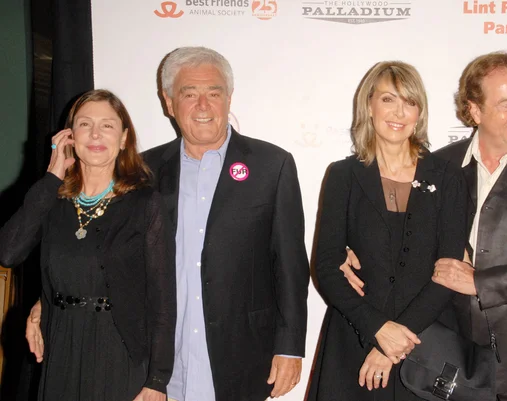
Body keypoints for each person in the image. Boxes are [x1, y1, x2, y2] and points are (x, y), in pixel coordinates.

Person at [27, 46, 310, 401]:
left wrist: (290, 347)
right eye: (189, 94)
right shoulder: (140, 172)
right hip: (152, 362)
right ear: (168, 102)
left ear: (229, 98)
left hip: (240, 358)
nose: (203, 105)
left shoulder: (273, 166)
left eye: (214, 93)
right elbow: (95, 248)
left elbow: (290, 267)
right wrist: (44, 302)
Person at [340, 51, 507, 400]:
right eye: (506, 104)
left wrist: (480, 282)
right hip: (448, 354)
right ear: (474, 110)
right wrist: (349, 252)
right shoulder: (438, 166)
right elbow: (405, 243)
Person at [0, 89, 176, 401]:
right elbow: (9, 252)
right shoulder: (52, 200)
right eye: (85, 124)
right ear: (69, 136)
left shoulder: (145, 203)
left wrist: (157, 381)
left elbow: (162, 299)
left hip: (118, 351)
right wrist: (52, 177)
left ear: (123, 139)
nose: (95, 133)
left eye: (107, 125)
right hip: (61, 346)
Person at [307, 61, 468, 401]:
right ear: (369, 104)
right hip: (354, 342)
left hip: (426, 348)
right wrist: (377, 329)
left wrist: (393, 343)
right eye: (388, 100)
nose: (399, 112)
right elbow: (326, 267)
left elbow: (449, 273)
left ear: (419, 111)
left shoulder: (448, 178)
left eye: (409, 102)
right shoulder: (343, 176)